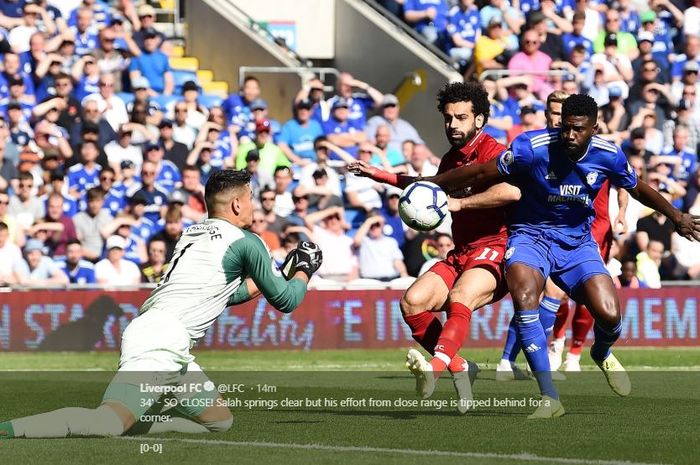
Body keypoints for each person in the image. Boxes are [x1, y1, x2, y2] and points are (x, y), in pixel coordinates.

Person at [422, 93, 700, 418]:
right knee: (525, 297)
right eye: (566, 128)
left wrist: (676, 215)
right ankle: (549, 398)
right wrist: (429, 184)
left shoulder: (608, 154)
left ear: (594, 128)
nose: (569, 135)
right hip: (530, 236)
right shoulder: (532, 146)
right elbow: (482, 173)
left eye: (578, 129)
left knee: (609, 314)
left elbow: (637, 187)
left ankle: (601, 351)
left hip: (577, 244)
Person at [0, 169, 323, 439]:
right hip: (161, 341)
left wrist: (280, 273)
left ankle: (146, 407)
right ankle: (11, 430)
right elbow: (286, 300)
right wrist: (304, 270)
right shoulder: (247, 241)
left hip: (166, 339)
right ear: (237, 204)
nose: (254, 207)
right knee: (107, 423)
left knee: (219, 420)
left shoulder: (193, 232)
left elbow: (229, 294)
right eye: (251, 199)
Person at [349, 82, 522, 413]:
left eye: (461, 117)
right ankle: (460, 367)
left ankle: (435, 369)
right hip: (461, 252)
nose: (453, 125)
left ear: (480, 120)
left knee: (460, 298)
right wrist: (378, 175)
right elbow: (429, 187)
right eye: (448, 118)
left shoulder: (495, 153)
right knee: (412, 303)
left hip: (496, 248)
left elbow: (511, 193)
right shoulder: (449, 160)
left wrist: (460, 205)